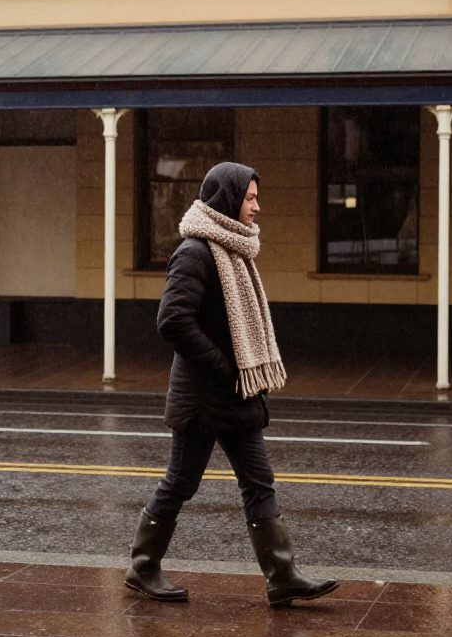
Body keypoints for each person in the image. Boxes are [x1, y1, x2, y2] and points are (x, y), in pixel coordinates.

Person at [125, 162, 338, 607]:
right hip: (204, 399)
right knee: (180, 483)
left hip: (237, 396)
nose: (257, 206)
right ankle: (143, 568)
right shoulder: (195, 252)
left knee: (260, 482)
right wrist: (224, 365)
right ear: (228, 198)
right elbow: (172, 321)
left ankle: (283, 575)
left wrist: (238, 374)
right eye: (251, 197)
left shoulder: (237, 250)